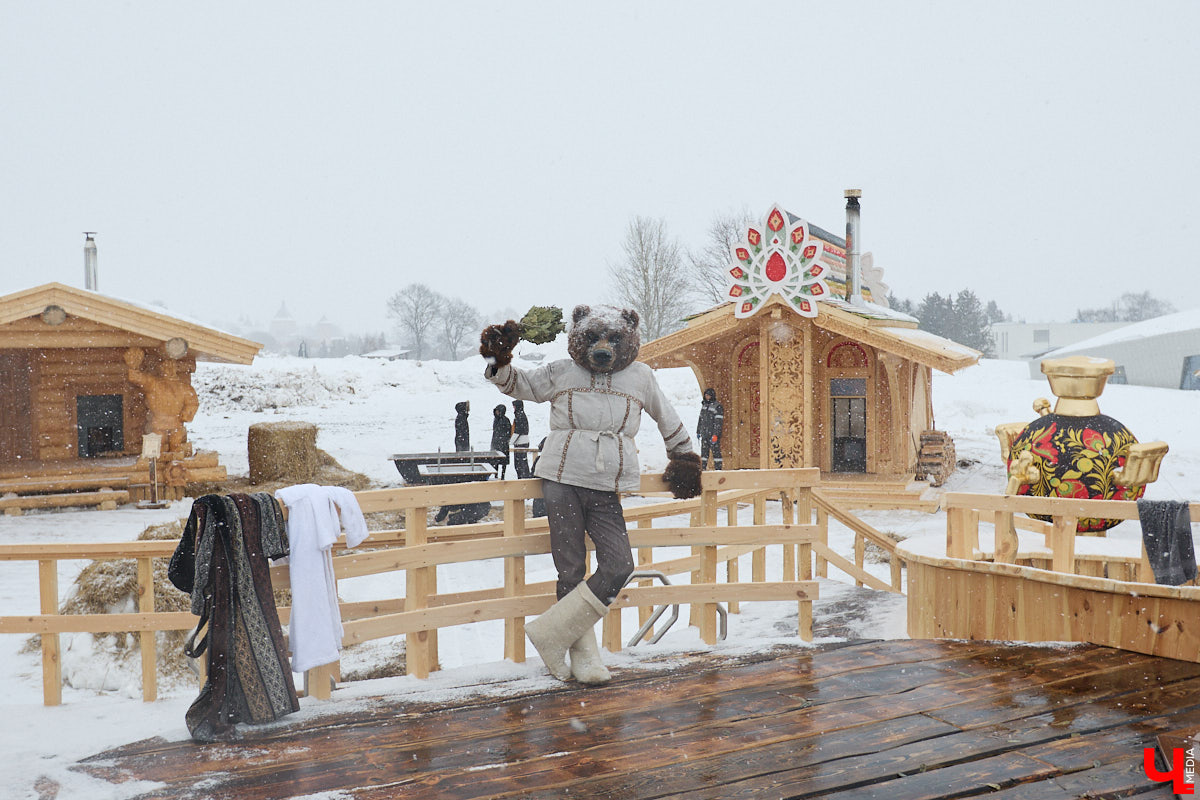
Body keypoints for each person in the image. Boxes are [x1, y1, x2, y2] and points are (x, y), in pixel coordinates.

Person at [696, 387, 724, 470]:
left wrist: (715, 434)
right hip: (704, 434)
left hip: (713, 435)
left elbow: (718, 423)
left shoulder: (717, 407)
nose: (707, 397)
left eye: (708, 395)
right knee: (704, 454)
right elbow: (700, 419)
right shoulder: (704, 406)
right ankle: (703, 468)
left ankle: (718, 469)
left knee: (716, 453)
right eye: (706, 395)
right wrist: (698, 431)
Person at [511, 399, 532, 479]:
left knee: (520, 463)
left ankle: (523, 478)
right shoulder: (521, 415)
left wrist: (511, 441)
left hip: (521, 442)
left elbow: (518, 430)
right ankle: (523, 477)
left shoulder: (519, 416)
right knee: (521, 462)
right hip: (522, 441)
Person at [491, 404, 512, 479]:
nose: (496, 412)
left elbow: (509, 432)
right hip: (496, 443)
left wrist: (504, 440)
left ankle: (502, 476)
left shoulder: (505, 420)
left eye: (498, 411)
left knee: (503, 461)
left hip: (502, 444)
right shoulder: (496, 419)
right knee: (496, 461)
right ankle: (496, 475)